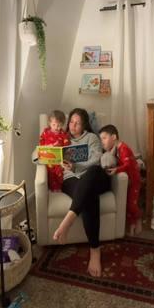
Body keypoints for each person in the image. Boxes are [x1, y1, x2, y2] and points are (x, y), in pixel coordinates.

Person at [53, 108, 110, 277]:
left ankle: (68, 221)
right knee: (88, 196)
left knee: (91, 174)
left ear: (84, 124)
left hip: (93, 177)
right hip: (71, 179)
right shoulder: (62, 139)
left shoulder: (92, 138)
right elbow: (41, 153)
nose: (73, 125)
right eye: (71, 121)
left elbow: (96, 159)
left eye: (77, 123)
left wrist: (77, 165)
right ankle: (95, 250)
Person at [98, 124, 142, 236]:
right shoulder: (116, 149)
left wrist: (116, 170)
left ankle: (138, 219)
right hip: (128, 181)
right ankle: (131, 226)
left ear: (113, 137)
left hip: (134, 181)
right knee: (127, 204)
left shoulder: (124, 148)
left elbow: (127, 165)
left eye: (104, 138)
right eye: (101, 139)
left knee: (132, 205)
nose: (102, 142)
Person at [39, 110, 70, 192]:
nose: (56, 127)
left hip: (59, 159)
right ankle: (51, 188)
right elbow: (41, 142)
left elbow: (67, 146)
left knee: (59, 170)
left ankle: (59, 188)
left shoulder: (63, 134)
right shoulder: (46, 132)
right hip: (48, 157)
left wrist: (63, 150)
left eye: (59, 125)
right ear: (49, 123)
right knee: (50, 171)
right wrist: (45, 147)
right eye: (54, 125)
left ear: (63, 124)